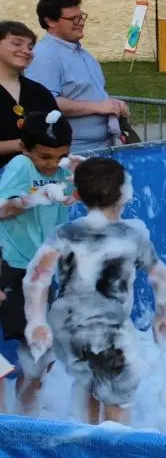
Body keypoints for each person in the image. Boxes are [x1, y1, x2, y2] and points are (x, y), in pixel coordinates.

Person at [24, 157, 166, 426]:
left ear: (78, 195)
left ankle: (88, 433)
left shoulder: (64, 233)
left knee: (88, 382)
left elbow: (37, 277)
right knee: (117, 399)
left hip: (68, 329)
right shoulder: (132, 236)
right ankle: (113, 444)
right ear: (124, 194)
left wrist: (36, 321)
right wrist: (162, 315)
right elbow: (161, 277)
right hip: (109, 332)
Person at [0, 111, 74, 415]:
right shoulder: (21, 165)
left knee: (43, 350)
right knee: (38, 346)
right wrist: (36, 197)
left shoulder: (63, 170)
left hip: (42, 267)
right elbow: (2, 208)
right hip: (15, 265)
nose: (52, 164)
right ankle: (23, 419)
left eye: (60, 156)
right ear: (24, 148)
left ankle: (27, 412)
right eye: (45, 156)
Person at [29, 0, 128, 151]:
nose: (81, 22)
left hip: (101, 147)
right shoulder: (44, 55)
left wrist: (114, 104)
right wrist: (98, 107)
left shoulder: (82, 53)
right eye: (73, 19)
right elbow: (46, 103)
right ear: (50, 21)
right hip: (72, 152)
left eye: (81, 16)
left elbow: (88, 94)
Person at [0, 22, 61, 160]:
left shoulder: (39, 92)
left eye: (30, 47)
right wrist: (23, 144)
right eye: (17, 43)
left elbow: (58, 132)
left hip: (38, 172)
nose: (27, 51)